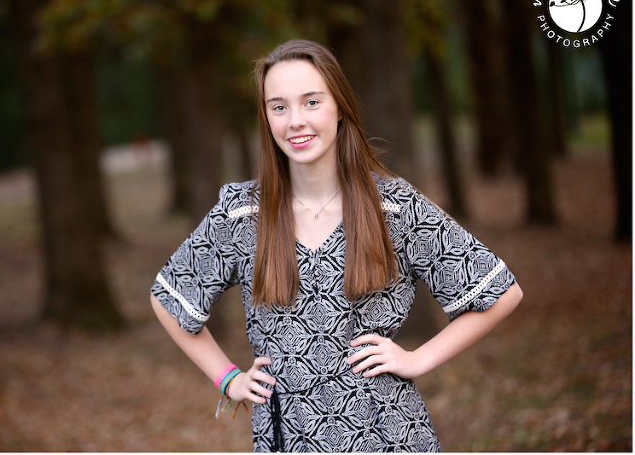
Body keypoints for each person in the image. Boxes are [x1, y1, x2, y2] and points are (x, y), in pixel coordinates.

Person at [150, 39, 523, 452]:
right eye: (279, 107)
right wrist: (227, 377)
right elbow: (170, 299)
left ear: (340, 107)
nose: (295, 121)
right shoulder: (242, 214)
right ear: (266, 118)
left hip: (390, 436)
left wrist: (419, 358)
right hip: (288, 439)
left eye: (311, 102)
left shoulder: (394, 207)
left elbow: (501, 293)